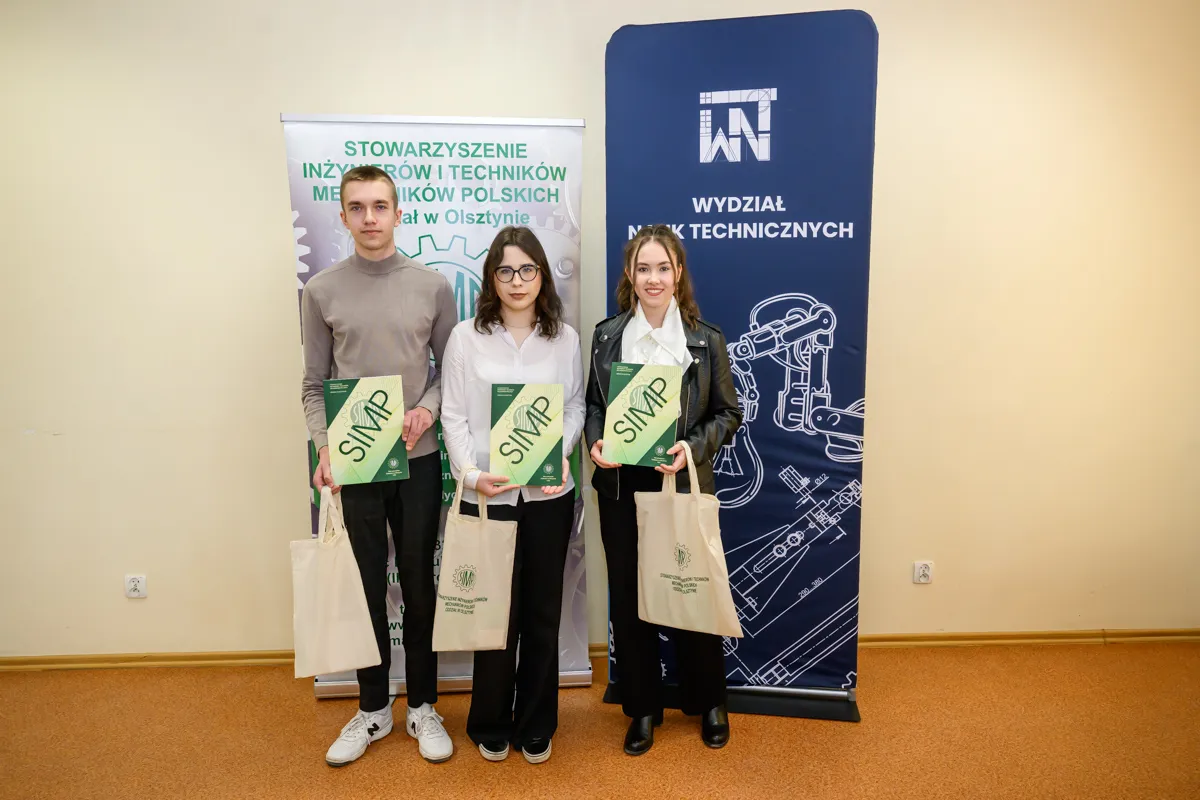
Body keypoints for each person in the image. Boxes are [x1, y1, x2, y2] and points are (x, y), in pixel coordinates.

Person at [300, 165, 457, 767]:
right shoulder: (321, 291)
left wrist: (426, 410)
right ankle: (372, 709)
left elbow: (450, 374)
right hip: (356, 464)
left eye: (380, 206)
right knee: (364, 585)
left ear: (398, 212)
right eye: (358, 207)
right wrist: (325, 447)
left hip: (419, 459)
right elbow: (314, 385)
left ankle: (423, 705)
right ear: (343, 216)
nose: (370, 218)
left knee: (419, 583)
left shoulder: (432, 287)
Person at [585, 224, 742, 755]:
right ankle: (643, 708)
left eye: (662, 268)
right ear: (630, 275)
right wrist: (595, 441)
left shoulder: (705, 339)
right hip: (621, 483)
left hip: (680, 478)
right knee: (631, 598)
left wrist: (691, 448)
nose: (653, 278)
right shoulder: (607, 336)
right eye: (643, 268)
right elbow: (593, 406)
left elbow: (728, 414)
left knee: (690, 587)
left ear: (678, 274)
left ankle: (710, 701)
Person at [440, 225, 584, 765]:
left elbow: (574, 407)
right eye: (505, 270)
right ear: (492, 278)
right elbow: (453, 415)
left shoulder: (564, 339)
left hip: (548, 496)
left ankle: (537, 722)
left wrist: (559, 453)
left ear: (541, 275)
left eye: (527, 269)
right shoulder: (465, 337)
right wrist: (470, 475)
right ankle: (490, 720)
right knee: (493, 613)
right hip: (489, 497)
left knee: (542, 614)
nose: (517, 280)